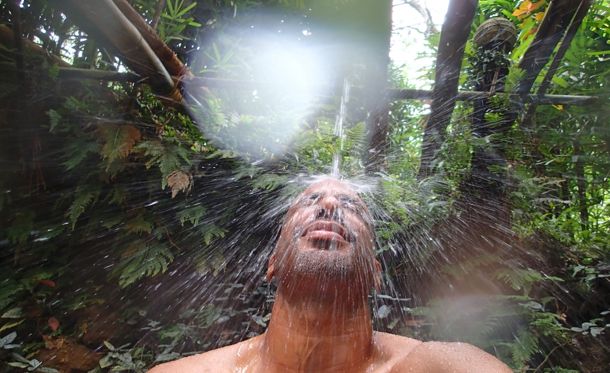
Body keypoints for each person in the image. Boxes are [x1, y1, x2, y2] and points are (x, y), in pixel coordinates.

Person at [149, 178, 511, 372]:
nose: (330, 205)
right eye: (309, 201)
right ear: (272, 262)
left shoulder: (439, 368)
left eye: (353, 206)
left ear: (374, 273)